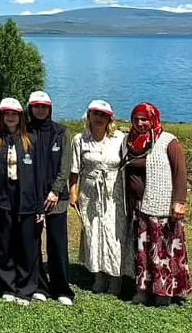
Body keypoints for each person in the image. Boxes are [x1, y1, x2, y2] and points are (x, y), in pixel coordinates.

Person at [122, 103, 191, 306]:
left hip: (161, 206)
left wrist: (179, 202)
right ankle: (142, 289)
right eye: (136, 119)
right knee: (142, 250)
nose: (141, 123)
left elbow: (180, 173)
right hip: (137, 207)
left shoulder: (168, 141)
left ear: (153, 120)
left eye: (145, 119)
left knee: (162, 250)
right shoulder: (129, 141)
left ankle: (164, 292)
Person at [0, 98, 43, 306]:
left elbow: (38, 175)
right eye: (6, 113)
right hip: (1, 197)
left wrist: (40, 205)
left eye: (14, 114)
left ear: (20, 117)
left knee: (27, 244)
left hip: (26, 198)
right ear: (1, 116)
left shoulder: (31, 139)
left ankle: (25, 288)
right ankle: (8, 285)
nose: (10, 117)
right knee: (3, 243)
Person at [69, 100, 129, 295]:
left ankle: (115, 277)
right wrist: (73, 193)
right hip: (90, 191)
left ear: (109, 118)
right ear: (89, 115)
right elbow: (74, 169)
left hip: (114, 192)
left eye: (103, 114)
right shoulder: (80, 139)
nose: (99, 117)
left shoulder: (120, 138)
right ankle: (98, 275)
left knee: (114, 233)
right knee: (93, 231)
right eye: (95, 113)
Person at [26, 91, 74, 305]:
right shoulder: (24, 130)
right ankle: (39, 286)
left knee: (57, 242)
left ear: (50, 108)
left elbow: (65, 168)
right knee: (33, 242)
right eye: (36, 106)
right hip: (31, 197)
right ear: (30, 108)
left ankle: (61, 288)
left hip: (57, 198)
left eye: (44, 106)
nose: (40, 110)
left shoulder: (61, 132)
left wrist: (55, 191)